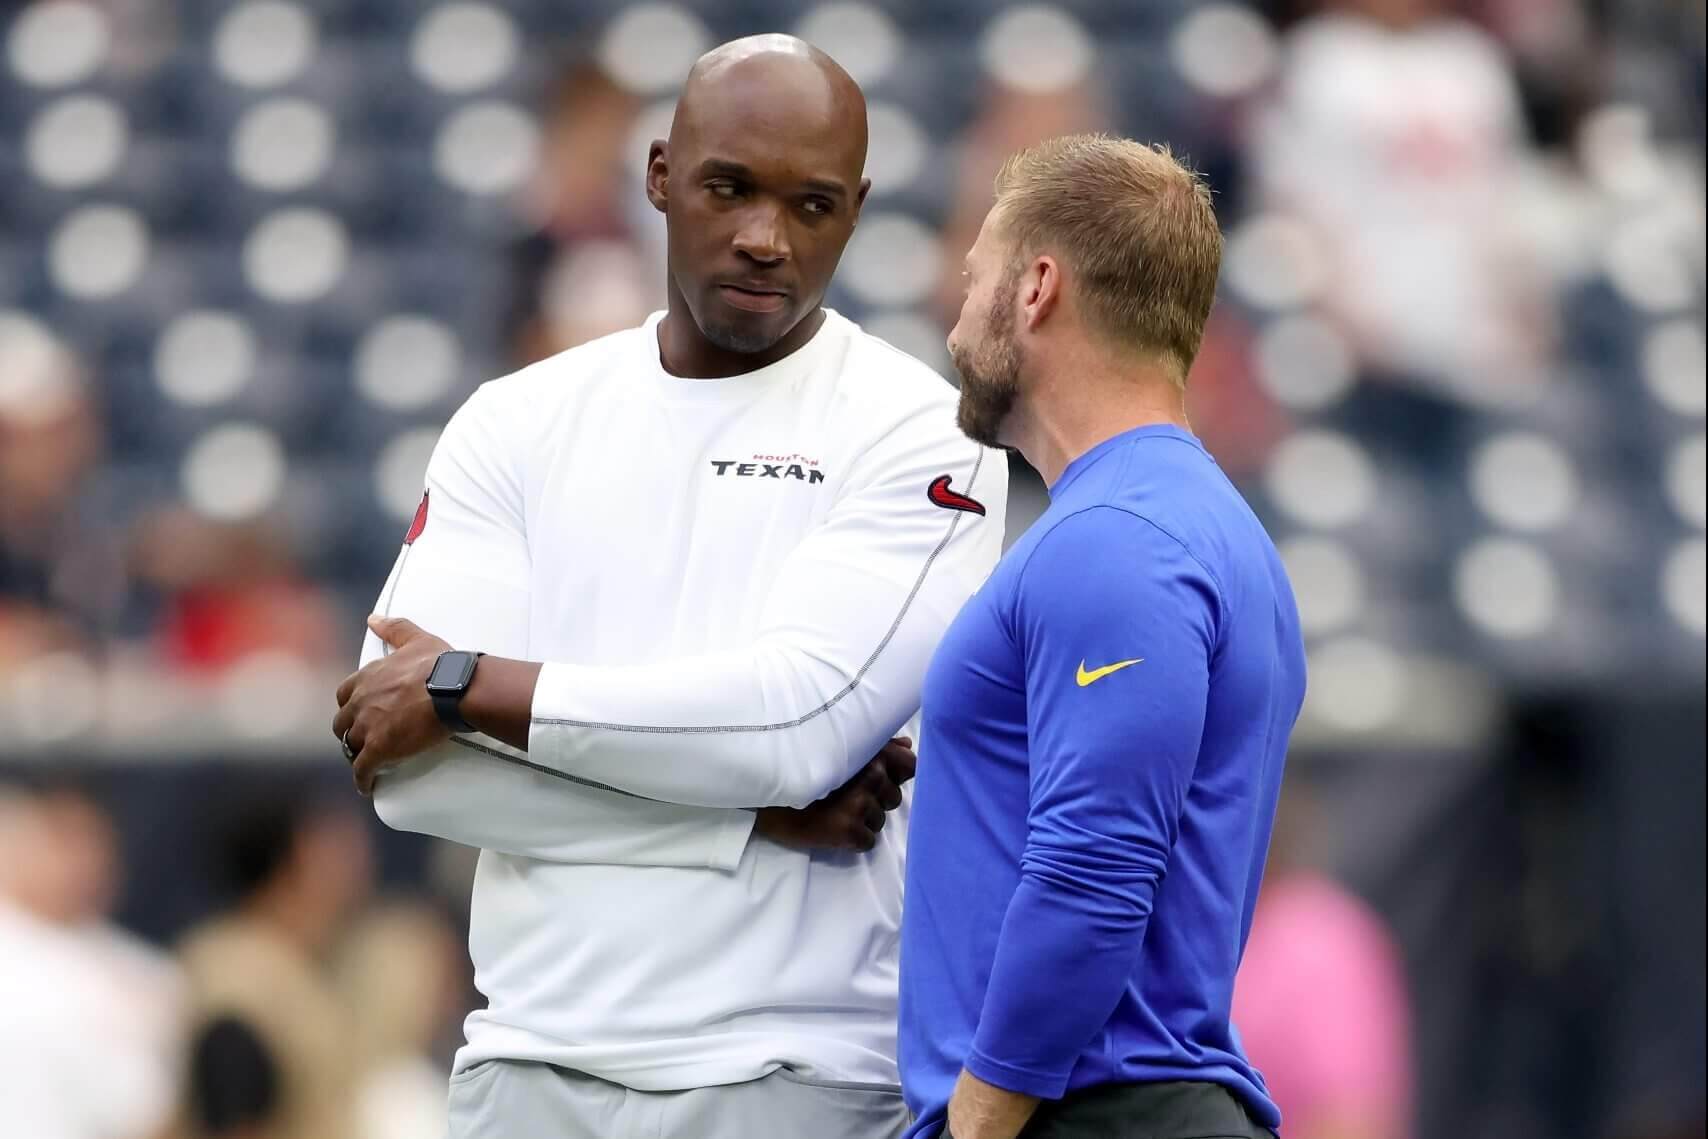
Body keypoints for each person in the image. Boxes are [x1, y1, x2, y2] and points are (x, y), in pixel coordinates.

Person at [331, 33, 1005, 1139]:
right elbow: (409, 777)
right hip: (525, 1060)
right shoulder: (517, 419)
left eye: (812, 205)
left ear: (858, 209)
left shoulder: (920, 432)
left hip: (790, 1071)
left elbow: (794, 723)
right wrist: (740, 819)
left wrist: (465, 685)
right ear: (657, 174)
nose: (762, 237)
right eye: (728, 187)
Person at [898, 134, 1307, 1139]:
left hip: (1086, 1113)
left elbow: (1095, 868)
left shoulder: (1114, 543)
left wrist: (979, 1118)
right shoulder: (1210, 529)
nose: (956, 321)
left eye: (975, 276)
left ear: (1036, 288)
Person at [174, 785, 375, 1139]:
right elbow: (233, 1117)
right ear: (295, 857)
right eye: (333, 844)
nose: (356, 859)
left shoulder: (291, 958)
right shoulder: (240, 966)